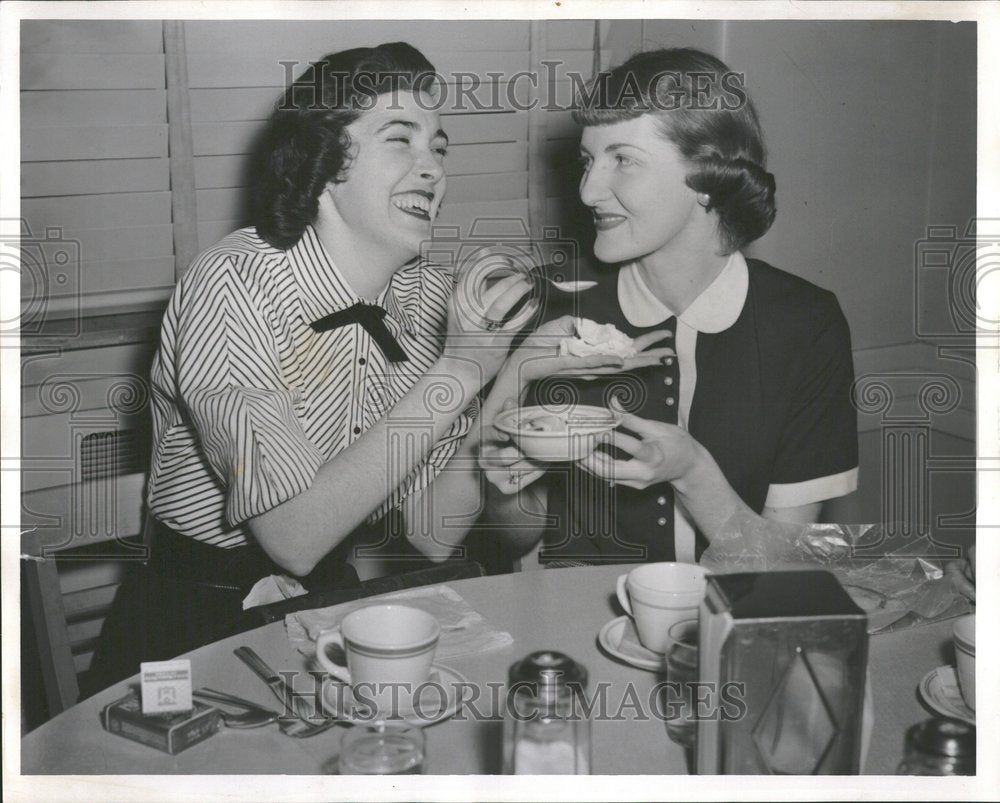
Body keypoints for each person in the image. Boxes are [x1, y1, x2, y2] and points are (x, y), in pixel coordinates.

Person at [84, 42, 670, 696]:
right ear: (325, 158)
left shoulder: (422, 297)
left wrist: (511, 376)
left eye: (439, 147)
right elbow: (294, 537)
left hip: (325, 611)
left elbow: (429, 531)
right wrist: (460, 369)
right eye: (401, 139)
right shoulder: (233, 284)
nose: (433, 170)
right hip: (189, 624)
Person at [481, 48, 859, 567]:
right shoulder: (552, 305)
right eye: (589, 161)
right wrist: (504, 491)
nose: (588, 191)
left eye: (624, 160)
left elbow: (784, 566)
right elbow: (517, 540)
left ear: (708, 180)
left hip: (728, 619)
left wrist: (692, 471)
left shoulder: (805, 325)